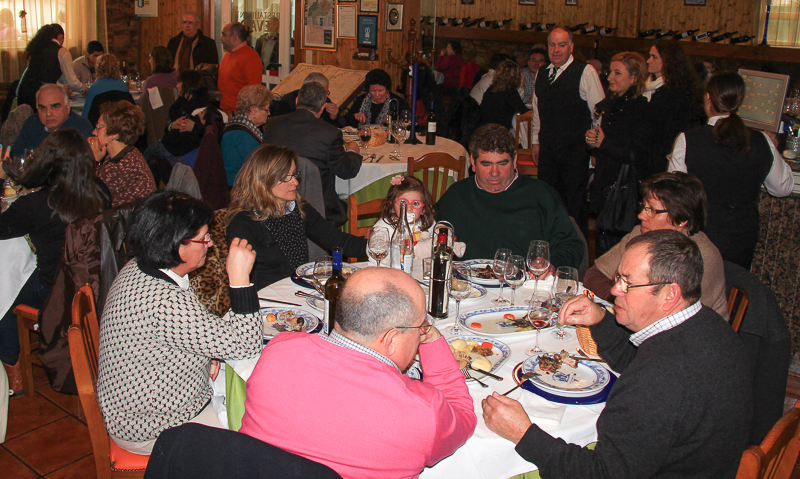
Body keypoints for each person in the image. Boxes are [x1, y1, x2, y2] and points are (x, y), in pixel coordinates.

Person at [483, 229, 751, 478]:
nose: (614, 290)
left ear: (670, 295)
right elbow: (639, 362)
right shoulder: (708, 326)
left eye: (628, 283)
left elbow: (602, 473)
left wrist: (524, 435)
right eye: (618, 278)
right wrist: (601, 320)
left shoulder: (658, 380)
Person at [239, 267, 476, 478]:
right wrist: (432, 340)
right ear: (391, 340)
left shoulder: (278, 351)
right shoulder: (422, 412)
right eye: (420, 327)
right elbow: (463, 415)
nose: (421, 332)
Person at [96, 190, 263, 454]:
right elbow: (247, 346)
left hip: (141, 404)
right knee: (257, 438)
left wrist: (207, 352)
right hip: (154, 425)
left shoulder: (141, 267)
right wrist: (240, 279)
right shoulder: (164, 301)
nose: (210, 244)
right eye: (203, 237)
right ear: (177, 245)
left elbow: (184, 329)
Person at [0, 129, 109, 395]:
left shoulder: (36, 204)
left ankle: (12, 369)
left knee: (4, 294)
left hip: (56, 292)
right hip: (98, 285)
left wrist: (1, 177)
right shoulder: (101, 192)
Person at [669, 72, 794, 269]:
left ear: (708, 98)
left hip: (699, 235)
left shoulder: (688, 140)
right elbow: (783, 188)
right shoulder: (761, 140)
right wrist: (774, 148)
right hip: (741, 237)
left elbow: (674, 194)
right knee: (733, 286)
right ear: (739, 102)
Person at [434, 124, 584, 269]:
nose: (494, 172)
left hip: (522, 283)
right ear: (473, 162)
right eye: (486, 164)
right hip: (464, 283)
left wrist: (551, 265)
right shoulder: (457, 195)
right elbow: (428, 230)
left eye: (502, 164)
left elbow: (571, 245)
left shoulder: (541, 195)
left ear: (515, 160)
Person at [584, 172, 729, 319]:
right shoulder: (640, 235)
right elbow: (594, 275)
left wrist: (627, 302)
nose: (641, 215)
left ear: (681, 219)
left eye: (652, 210)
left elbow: (685, 319)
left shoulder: (701, 257)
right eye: (644, 206)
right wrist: (623, 300)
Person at [225, 144, 367, 289]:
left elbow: (337, 240)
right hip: (266, 296)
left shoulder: (297, 209)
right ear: (264, 181)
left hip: (295, 290)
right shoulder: (243, 223)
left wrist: (373, 247)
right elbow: (242, 279)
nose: (296, 182)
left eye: (294, 174)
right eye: (287, 177)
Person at [531, 26, 605, 237]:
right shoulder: (542, 73)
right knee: (547, 201)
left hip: (575, 151)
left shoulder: (585, 72)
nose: (556, 50)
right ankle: (548, 246)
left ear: (571, 47)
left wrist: (595, 149)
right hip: (548, 149)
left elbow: (599, 113)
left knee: (575, 205)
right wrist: (535, 141)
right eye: (552, 45)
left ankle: (577, 249)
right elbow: (537, 111)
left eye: (562, 45)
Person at [263, 82, 363, 226]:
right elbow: (346, 171)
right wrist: (353, 151)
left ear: (297, 101)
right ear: (323, 107)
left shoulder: (273, 124)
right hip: (317, 207)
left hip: (275, 202)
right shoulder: (329, 133)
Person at [584, 52, 650, 255]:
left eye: (617, 73)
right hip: (606, 184)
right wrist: (594, 142)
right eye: (610, 72)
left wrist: (603, 144)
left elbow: (638, 155)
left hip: (622, 191)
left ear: (634, 77)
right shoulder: (611, 104)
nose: (610, 77)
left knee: (617, 251)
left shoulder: (640, 109)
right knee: (602, 248)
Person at [642, 39, 700, 176]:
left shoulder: (674, 93)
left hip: (662, 160)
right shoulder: (648, 87)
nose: (648, 61)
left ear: (668, 61)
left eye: (654, 57)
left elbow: (665, 133)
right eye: (649, 56)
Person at [88, 101, 156, 207]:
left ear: (114, 133)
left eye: (98, 126)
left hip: (132, 217)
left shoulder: (121, 164)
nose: (94, 132)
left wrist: (95, 161)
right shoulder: (127, 153)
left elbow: (91, 197)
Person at [144, 69, 211, 169]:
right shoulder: (181, 103)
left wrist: (194, 127)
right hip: (173, 145)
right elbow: (170, 123)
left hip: (184, 151)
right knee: (152, 159)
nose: (176, 85)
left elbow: (209, 134)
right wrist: (171, 125)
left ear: (187, 85)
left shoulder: (204, 109)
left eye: (179, 83)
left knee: (148, 155)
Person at [11, 84, 94, 158]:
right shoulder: (31, 123)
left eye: (55, 107)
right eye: (42, 108)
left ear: (67, 107)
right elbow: (16, 155)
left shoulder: (81, 128)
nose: (48, 113)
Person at [16, 24, 86, 108]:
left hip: (23, 92)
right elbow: (71, 82)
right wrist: (84, 90)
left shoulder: (37, 48)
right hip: (41, 95)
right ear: (60, 37)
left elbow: (41, 77)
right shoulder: (62, 51)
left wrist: (61, 86)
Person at [222, 85, 272, 186]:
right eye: (266, 110)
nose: (269, 113)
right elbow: (259, 164)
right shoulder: (241, 133)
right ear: (254, 110)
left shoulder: (240, 123)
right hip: (238, 184)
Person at [373, 174, 436, 244]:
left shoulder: (427, 224)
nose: (409, 208)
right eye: (403, 202)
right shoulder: (384, 227)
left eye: (415, 203)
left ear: (423, 209)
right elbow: (374, 248)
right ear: (392, 206)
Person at [218, 22, 263, 114]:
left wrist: (242, 114)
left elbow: (254, 92)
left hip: (238, 113)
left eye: (224, 35)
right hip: (226, 111)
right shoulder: (229, 53)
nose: (221, 38)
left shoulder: (250, 57)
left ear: (234, 38)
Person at [271, 72, 345, 127]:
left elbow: (341, 126)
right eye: (322, 93)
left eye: (326, 93)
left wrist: (334, 117)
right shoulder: (287, 102)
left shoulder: (325, 101)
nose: (324, 97)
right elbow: (278, 126)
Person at [345, 68, 409, 127]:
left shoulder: (397, 102)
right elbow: (345, 122)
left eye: (381, 91)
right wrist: (355, 116)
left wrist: (393, 123)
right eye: (373, 91)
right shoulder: (361, 100)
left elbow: (409, 124)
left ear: (387, 89)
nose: (377, 94)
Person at [478, 60, 530, 131]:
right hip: (498, 130)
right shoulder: (509, 90)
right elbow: (523, 111)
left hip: (484, 128)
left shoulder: (492, 88)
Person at [82, 54, 129, 120]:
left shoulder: (94, 88)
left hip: (100, 124)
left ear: (98, 68)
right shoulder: (123, 86)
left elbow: (85, 116)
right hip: (120, 123)